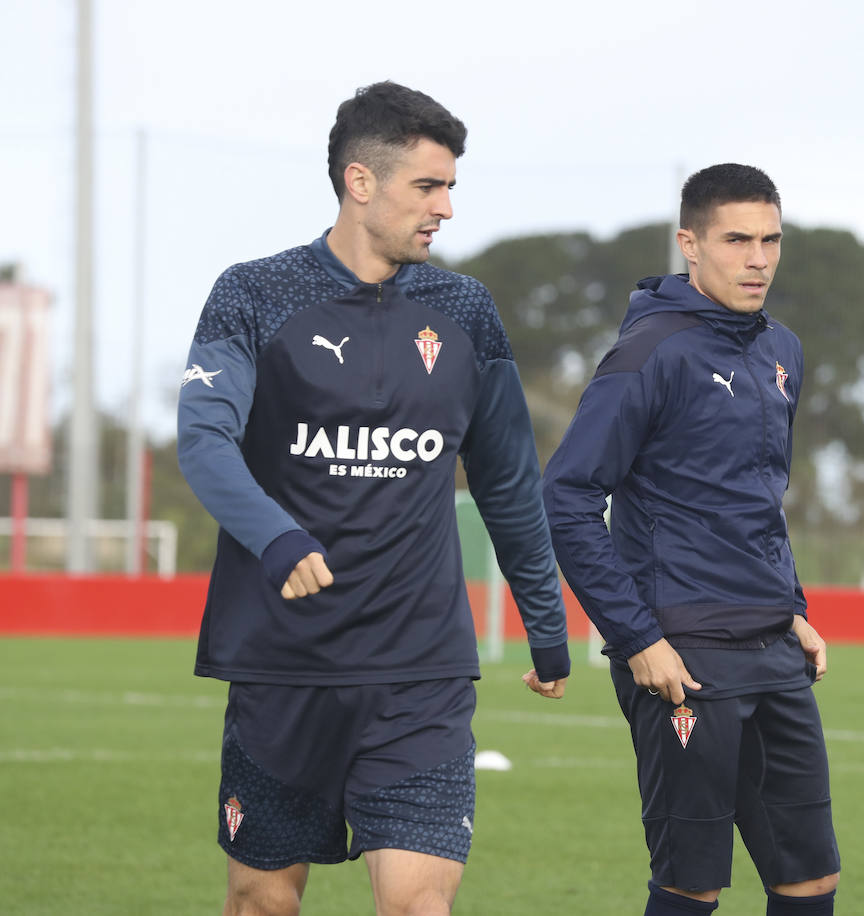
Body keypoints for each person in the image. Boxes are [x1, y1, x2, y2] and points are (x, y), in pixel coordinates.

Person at [176, 81, 570, 916]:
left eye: (452, 186)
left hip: (419, 671)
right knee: (261, 902)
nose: (448, 208)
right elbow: (204, 442)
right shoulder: (253, 294)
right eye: (429, 186)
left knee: (418, 905)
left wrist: (545, 623)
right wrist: (279, 540)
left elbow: (506, 481)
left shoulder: (467, 311)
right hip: (283, 665)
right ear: (361, 182)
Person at [541, 164, 840, 916]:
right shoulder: (650, 354)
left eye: (772, 240)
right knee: (692, 883)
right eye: (737, 239)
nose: (759, 258)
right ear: (690, 245)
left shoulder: (784, 351)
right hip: (682, 655)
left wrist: (792, 604)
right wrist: (637, 638)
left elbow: (760, 494)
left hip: (773, 648)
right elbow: (568, 496)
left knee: (811, 880)